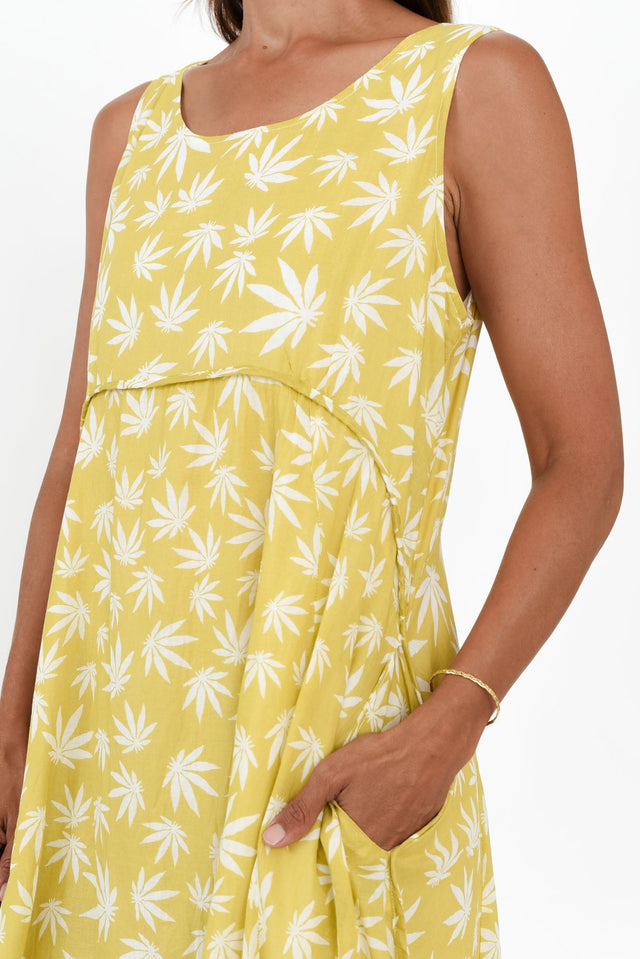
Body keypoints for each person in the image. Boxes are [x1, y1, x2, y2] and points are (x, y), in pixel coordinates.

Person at [0, 0, 624, 955]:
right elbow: (75, 461)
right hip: (103, 778)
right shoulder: (126, 135)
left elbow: (581, 460)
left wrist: (452, 724)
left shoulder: (471, 87)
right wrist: (14, 731)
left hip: (312, 779)